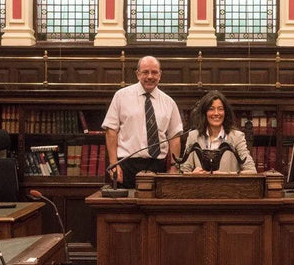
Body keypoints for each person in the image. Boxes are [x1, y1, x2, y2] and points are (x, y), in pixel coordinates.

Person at [102, 56, 183, 188]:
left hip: (158, 166)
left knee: (155, 208)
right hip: (126, 165)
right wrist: (113, 163)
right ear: (137, 74)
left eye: (154, 72)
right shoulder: (121, 96)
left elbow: (175, 137)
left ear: (160, 75)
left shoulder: (169, 102)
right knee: (126, 207)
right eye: (145, 72)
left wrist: (174, 167)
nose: (150, 76)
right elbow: (111, 130)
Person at [179, 90, 256, 174]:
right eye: (211, 109)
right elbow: (184, 171)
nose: (216, 113)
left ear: (225, 112)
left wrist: (226, 175)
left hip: (228, 186)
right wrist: (193, 175)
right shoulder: (193, 136)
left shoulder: (237, 137)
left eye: (220, 109)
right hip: (200, 186)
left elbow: (252, 171)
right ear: (204, 112)